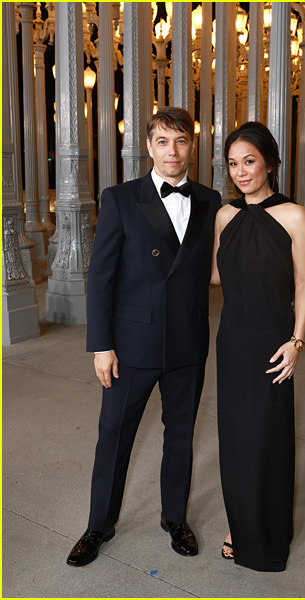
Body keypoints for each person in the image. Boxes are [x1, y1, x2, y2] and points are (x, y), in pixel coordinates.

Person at [67, 107, 221, 567]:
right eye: (163, 142)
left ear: (192, 146)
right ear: (149, 147)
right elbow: (101, 277)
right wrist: (101, 345)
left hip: (188, 343)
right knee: (114, 436)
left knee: (181, 436)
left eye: (181, 141)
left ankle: (175, 518)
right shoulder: (119, 199)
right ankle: (98, 525)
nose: (172, 151)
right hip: (131, 344)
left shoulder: (211, 200)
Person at [211, 122, 305, 572]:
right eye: (233, 164)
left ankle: (268, 528)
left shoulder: (295, 215)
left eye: (249, 161)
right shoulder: (224, 216)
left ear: (269, 162)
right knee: (234, 437)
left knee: (267, 437)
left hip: (274, 341)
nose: (240, 172)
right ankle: (239, 522)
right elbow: (216, 276)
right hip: (233, 338)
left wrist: (296, 341)